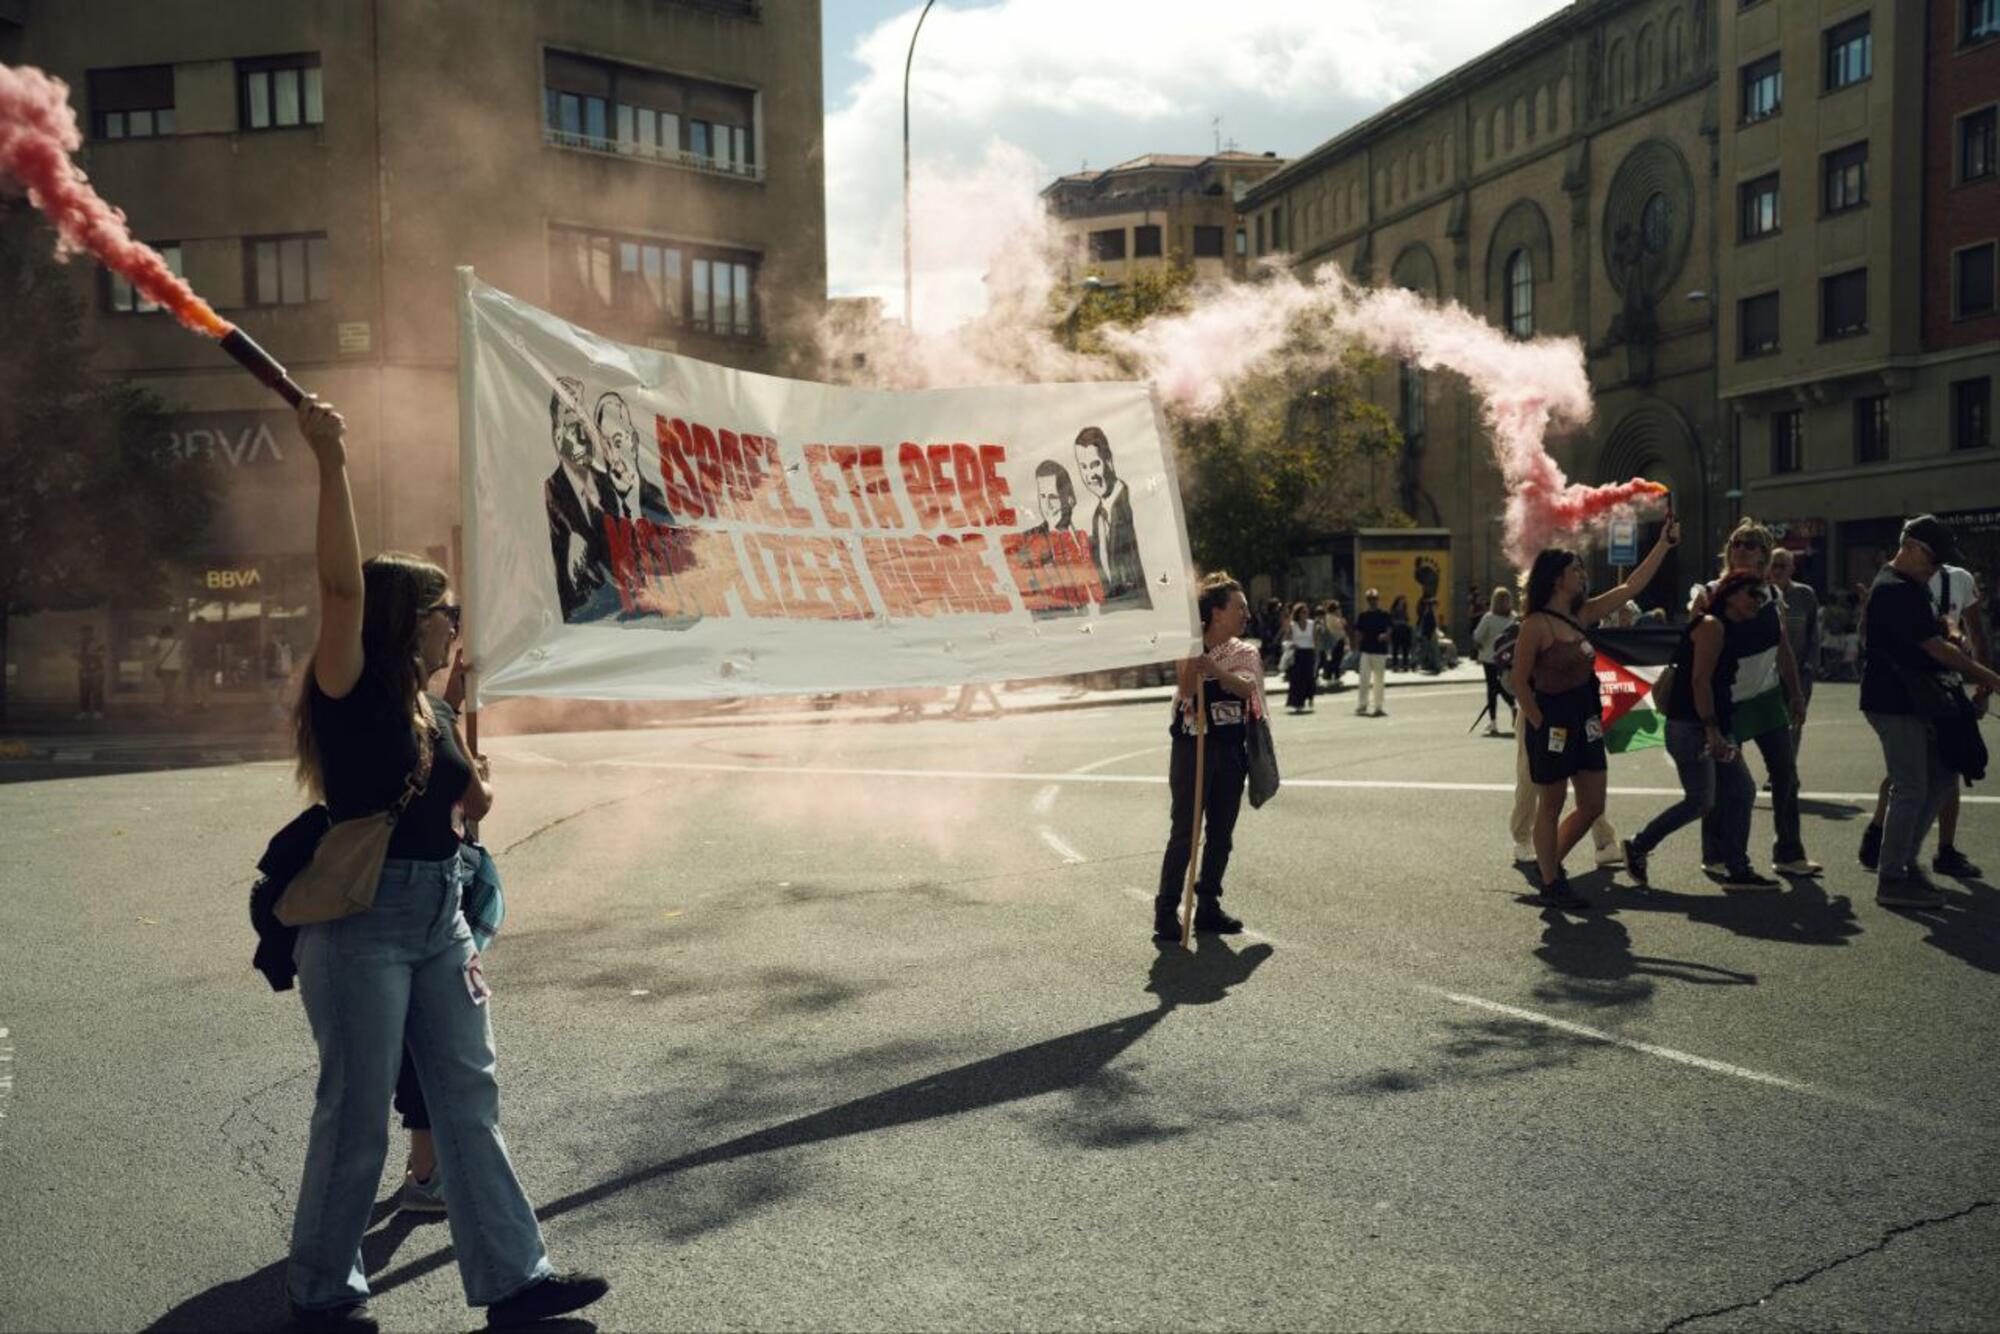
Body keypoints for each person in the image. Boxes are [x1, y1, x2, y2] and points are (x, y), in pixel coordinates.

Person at [288, 395, 607, 1331]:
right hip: (363, 925)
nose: (452, 623)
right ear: (403, 621)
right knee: (353, 1119)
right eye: (442, 611)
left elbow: (471, 807)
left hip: (440, 918)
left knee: (469, 1098)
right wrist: (330, 458)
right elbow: (342, 590)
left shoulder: (425, 705)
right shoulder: (347, 686)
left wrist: (460, 714)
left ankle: (515, 1278)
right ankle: (321, 1291)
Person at [1511, 519, 1679, 909]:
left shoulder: (1581, 616)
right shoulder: (1536, 625)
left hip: (1585, 719)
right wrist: (1539, 722)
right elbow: (1520, 683)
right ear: (1556, 579)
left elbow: (1630, 588)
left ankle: (1548, 866)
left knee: (1592, 803)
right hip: (1552, 721)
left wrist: (1663, 546)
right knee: (1550, 804)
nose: (1583, 575)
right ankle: (1553, 882)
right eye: (1577, 570)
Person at [1621, 573, 1777, 892]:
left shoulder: (1726, 627)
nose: (1757, 602)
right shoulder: (1711, 626)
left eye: (1762, 599)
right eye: (1752, 594)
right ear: (1731, 594)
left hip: (1712, 725)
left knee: (1741, 791)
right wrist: (1712, 730)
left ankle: (1737, 868)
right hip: (1694, 726)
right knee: (1701, 800)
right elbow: (1699, 681)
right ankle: (1638, 845)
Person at [1689, 521, 1819, 877]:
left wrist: (1795, 693)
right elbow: (1693, 649)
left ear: (1763, 554)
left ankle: (1789, 853)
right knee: (1726, 784)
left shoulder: (1772, 595)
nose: (1740, 548)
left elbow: (1783, 649)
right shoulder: (1709, 592)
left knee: (1785, 775)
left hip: (1765, 698)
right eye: (1735, 543)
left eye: (1749, 544)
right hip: (1727, 702)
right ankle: (1716, 853)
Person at [1858, 551, 1990, 880]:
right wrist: (1990, 679)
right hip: (1910, 690)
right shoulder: (1897, 581)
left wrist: (1982, 687)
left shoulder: (1958, 579)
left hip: (1944, 686)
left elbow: (1970, 631)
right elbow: (1924, 641)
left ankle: (1936, 851)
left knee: (1947, 767)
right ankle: (1886, 850)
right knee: (1909, 776)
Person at [1154, 572, 1263, 943]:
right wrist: (1190, 654)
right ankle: (1166, 909)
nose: (1246, 613)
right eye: (1239, 607)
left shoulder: (1244, 651)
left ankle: (1209, 907)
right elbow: (1186, 689)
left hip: (1230, 750)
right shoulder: (1189, 644)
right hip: (1191, 746)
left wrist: (1214, 670)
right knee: (1185, 831)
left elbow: (1247, 688)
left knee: (1221, 834)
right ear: (1216, 612)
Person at [1073, 426, 1151, 610]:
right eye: (1083, 467)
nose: (1089, 475)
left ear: (1108, 460)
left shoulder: (1132, 505)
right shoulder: (1097, 517)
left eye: (1095, 464)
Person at [1767, 548, 1821, 766]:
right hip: (1767, 673)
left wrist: (1810, 664)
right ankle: (1777, 770)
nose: (1778, 570)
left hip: (1799, 671)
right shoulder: (1762, 592)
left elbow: (1813, 633)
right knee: (1772, 725)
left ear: (1792, 569)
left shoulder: (1805, 594)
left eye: (1783, 566)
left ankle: (1787, 770)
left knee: (1794, 722)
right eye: (1774, 565)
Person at [594, 391, 670, 522]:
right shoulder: (599, 502)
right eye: (606, 447)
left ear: (634, 444)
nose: (613, 457)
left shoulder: (656, 500)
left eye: (618, 443)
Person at [1473, 587, 1516, 736]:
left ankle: (1493, 722)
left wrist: (1481, 645)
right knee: (1503, 685)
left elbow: (1477, 636)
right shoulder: (1513, 618)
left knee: (1492, 689)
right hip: (1506, 659)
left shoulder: (1489, 618)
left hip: (1489, 658)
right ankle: (1512, 706)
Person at [1352, 589, 1392, 717]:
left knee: (1379, 679)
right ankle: (1362, 704)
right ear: (1367, 600)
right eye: (1370, 599)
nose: (1372, 601)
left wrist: (1385, 635)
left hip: (1380, 651)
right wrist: (1357, 649)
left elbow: (1390, 629)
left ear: (1378, 599)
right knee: (1364, 678)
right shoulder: (1363, 615)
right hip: (1366, 650)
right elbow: (1358, 632)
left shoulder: (1384, 614)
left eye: (1374, 599)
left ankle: (1378, 706)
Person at [1284, 602, 1318, 712]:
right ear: (1298, 614)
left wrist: (1316, 653)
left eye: (1306, 612)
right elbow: (1286, 639)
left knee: (1309, 677)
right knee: (1297, 679)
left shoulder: (1312, 624)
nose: (1305, 614)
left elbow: (1314, 640)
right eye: (1303, 612)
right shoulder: (1292, 625)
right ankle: (1298, 703)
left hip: (1309, 653)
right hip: (1297, 653)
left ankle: (1309, 697)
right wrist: (1291, 644)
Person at [74, 624, 105, 720]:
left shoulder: (98, 643)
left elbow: (102, 654)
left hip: (96, 670)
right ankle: (84, 712)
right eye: (83, 633)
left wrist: (91, 654)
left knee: (97, 691)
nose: (85, 634)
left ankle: (98, 712)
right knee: (84, 691)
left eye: (88, 632)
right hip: (83, 670)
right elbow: (75, 655)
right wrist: (79, 657)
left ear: (92, 633)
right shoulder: (79, 644)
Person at [154, 623, 186, 713]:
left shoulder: (160, 642)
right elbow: (182, 652)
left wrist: (158, 637)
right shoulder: (178, 642)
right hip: (176, 667)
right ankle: (167, 705)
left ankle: (172, 708)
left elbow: (153, 650)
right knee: (171, 687)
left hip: (165, 667)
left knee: (168, 688)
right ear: (172, 633)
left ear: (163, 633)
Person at [1318, 600, 1348, 690]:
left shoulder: (1329, 617)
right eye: (1338, 608)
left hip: (1334, 641)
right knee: (1336, 660)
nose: (1339, 610)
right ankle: (1333, 677)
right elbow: (1342, 625)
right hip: (1336, 641)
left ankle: (1333, 677)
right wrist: (1341, 618)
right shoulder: (1333, 618)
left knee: (1333, 659)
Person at [1415, 597, 1442, 673]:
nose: (1437, 607)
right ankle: (1418, 664)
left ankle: (1434, 665)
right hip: (1428, 635)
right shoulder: (1429, 614)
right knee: (1425, 651)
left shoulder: (1430, 613)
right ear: (1432, 605)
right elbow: (1430, 626)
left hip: (1428, 635)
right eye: (1436, 605)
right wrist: (1432, 635)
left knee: (1429, 650)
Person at [1388, 595, 1413, 671]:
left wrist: (1406, 624)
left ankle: (1405, 664)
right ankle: (1395, 664)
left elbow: (1407, 619)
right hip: (1396, 631)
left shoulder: (1405, 611)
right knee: (1395, 648)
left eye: (1403, 601)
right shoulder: (1394, 611)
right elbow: (1392, 621)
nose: (1402, 602)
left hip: (1404, 631)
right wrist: (1399, 622)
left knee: (1405, 648)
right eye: (1401, 601)